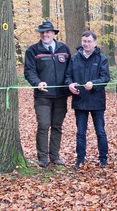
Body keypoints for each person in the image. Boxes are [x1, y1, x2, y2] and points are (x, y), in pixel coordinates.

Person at [24, 21, 71, 168]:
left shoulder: (64, 49)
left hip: (61, 95)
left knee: (57, 126)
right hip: (42, 96)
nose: (45, 35)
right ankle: (43, 158)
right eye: (43, 32)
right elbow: (29, 71)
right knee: (44, 125)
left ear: (53, 33)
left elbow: (70, 70)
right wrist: (37, 82)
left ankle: (55, 156)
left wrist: (70, 85)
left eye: (48, 32)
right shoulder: (32, 51)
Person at [65, 31, 110, 169]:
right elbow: (68, 76)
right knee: (80, 133)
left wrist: (94, 83)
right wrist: (70, 84)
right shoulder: (74, 59)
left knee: (100, 131)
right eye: (84, 41)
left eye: (89, 41)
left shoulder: (102, 58)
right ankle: (80, 159)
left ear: (95, 43)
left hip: (97, 101)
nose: (86, 44)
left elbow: (105, 78)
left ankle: (103, 158)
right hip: (80, 101)